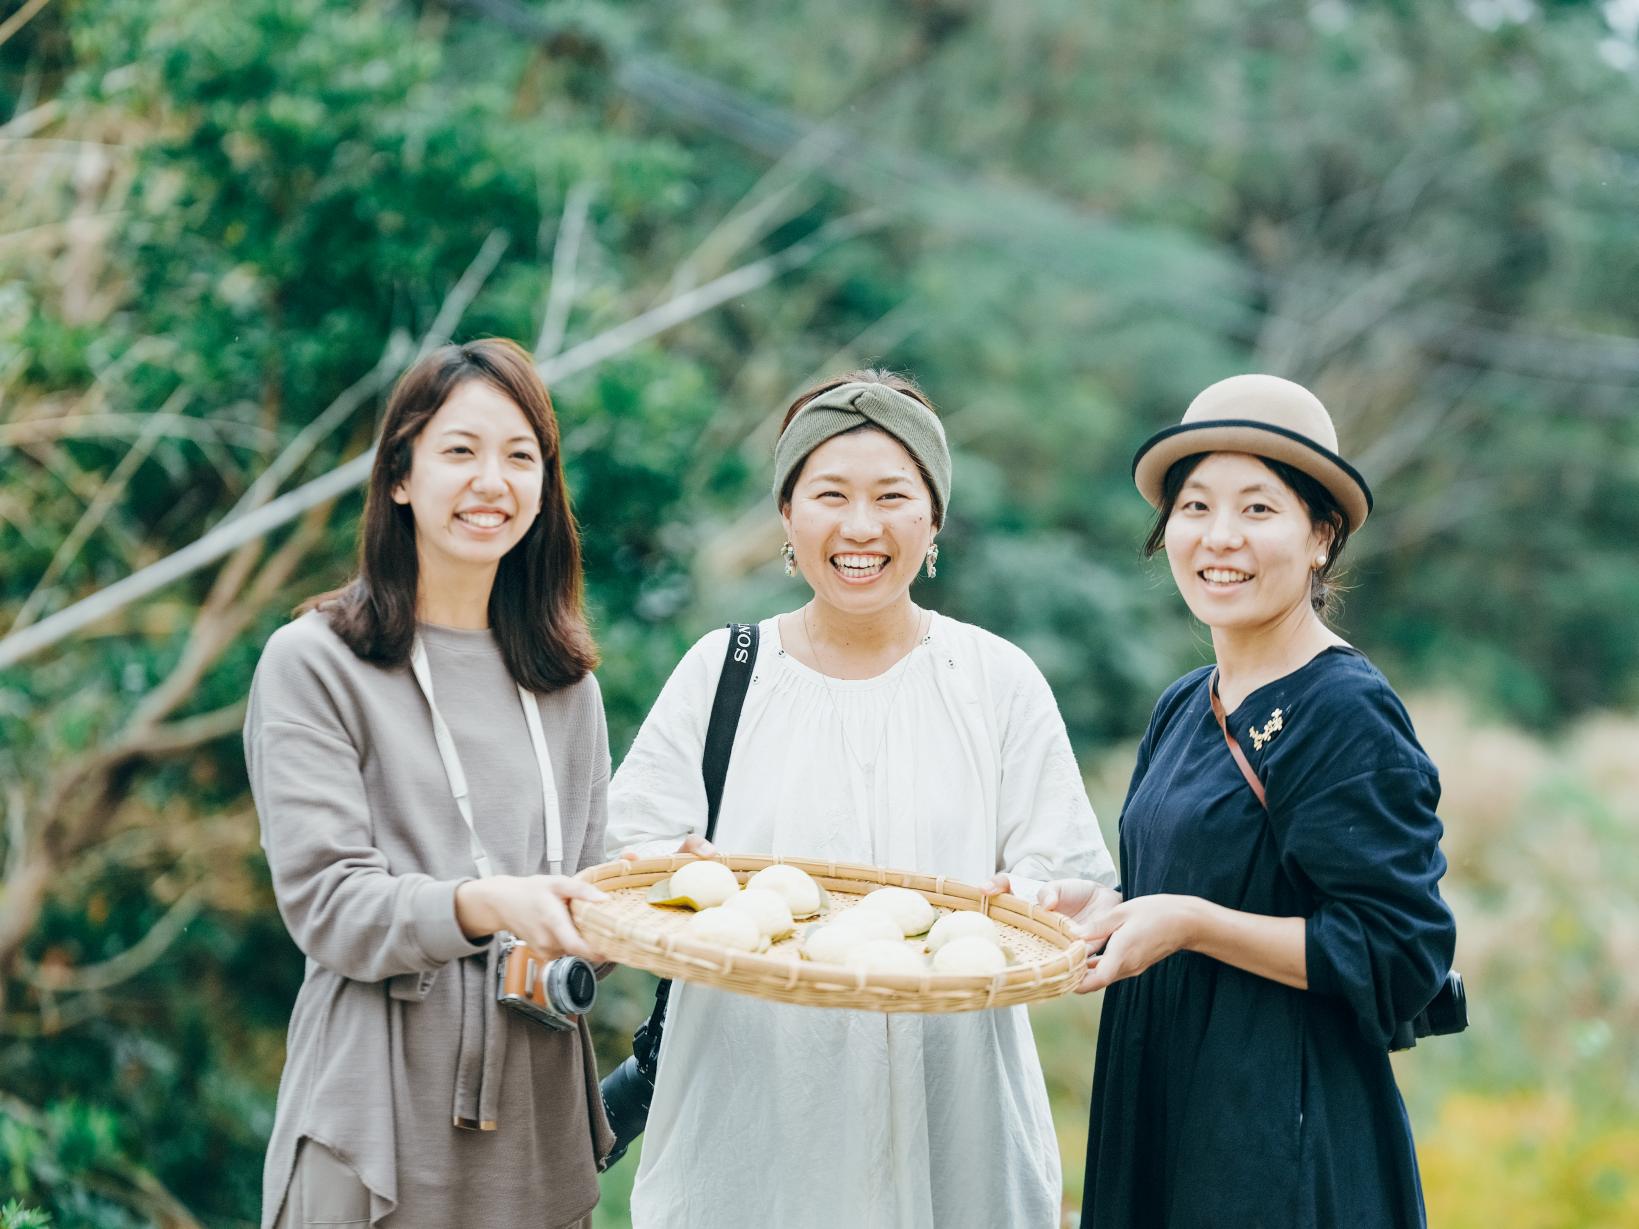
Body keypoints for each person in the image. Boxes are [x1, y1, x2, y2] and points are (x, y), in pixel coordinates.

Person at [606, 370, 1118, 1229]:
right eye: (828, 493)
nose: (859, 526)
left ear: (933, 520)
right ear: (786, 515)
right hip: (749, 1106)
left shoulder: (993, 680)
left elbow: (1066, 880)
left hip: (955, 1105)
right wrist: (677, 873)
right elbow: (632, 860)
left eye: (892, 495)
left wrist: (1030, 899)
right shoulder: (722, 673)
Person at [1053, 374, 1457, 1228]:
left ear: (1320, 536)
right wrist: (1093, 911)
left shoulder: (1343, 710)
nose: (1218, 537)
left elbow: (1398, 949)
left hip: (1279, 1138)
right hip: (1165, 1097)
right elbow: (1194, 885)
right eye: (1194, 506)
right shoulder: (1185, 703)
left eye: (1257, 509)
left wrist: (1191, 923)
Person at [243, 338, 614, 1229]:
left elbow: (582, 913)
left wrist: (653, 897)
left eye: (520, 456)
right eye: (461, 450)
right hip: (372, 1115)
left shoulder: (566, 682)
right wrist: (488, 902)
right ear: (400, 476)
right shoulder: (315, 663)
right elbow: (329, 905)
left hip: (534, 1125)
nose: (493, 480)